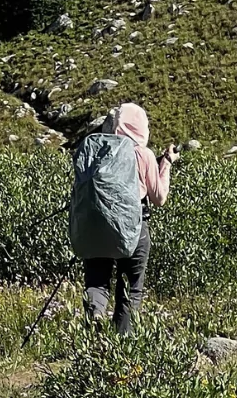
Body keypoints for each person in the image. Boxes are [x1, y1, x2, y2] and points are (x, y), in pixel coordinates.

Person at [71, 103, 178, 335]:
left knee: (96, 282)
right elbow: (159, 198)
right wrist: (166, 164)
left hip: (95, 224)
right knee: (130, 289)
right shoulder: (143, 154)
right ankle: (122, 342)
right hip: (133, 227)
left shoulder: (95, 149)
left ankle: (95, 321)